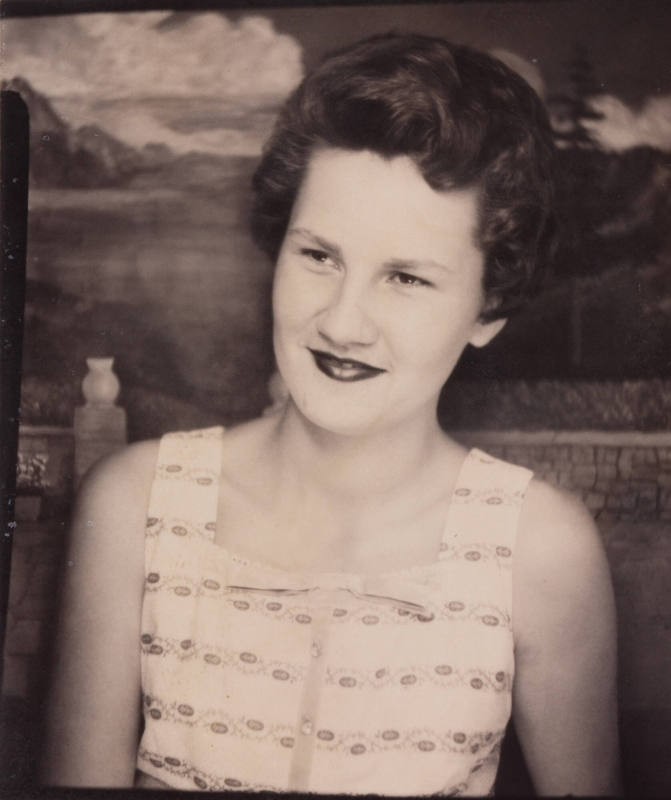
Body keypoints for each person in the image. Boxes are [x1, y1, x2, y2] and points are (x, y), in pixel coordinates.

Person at [40, 33, 620, 795]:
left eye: (406, 278)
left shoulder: (542, 549)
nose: (343, 324)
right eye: (319, 256)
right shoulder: (134, 504)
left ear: (490, 307)